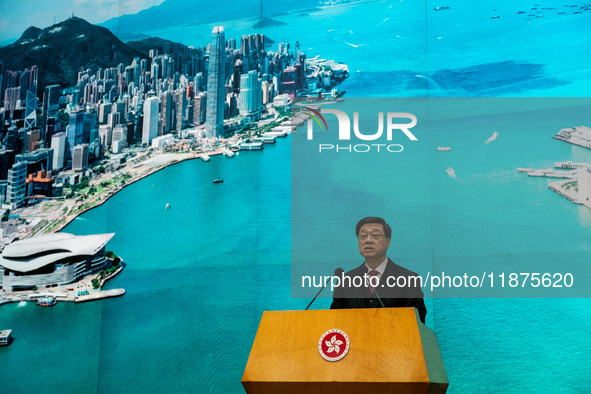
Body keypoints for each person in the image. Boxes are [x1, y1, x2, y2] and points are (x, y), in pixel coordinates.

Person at [331, 217, 427, 324]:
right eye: (363, 236)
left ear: (388, 242)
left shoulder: (408, 279)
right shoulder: (345, 280)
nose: (368, 240)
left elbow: (416, 322)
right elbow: (335, 322)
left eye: (375, 235)